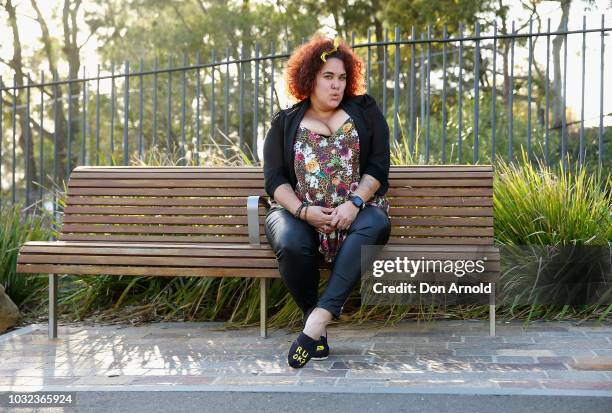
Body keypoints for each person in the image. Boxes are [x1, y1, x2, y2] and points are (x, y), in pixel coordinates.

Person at [263, 34, 392, 369]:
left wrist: (355, 204)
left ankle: (317, 322)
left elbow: (379, 165)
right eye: (327, 77)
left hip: (357, 211)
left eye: (342, 78)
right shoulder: (285, 121)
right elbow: (274, 179)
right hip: (296, 212)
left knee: (376, 224)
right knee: (290, 243)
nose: (337, 86)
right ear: (309, 79)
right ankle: (314, 324)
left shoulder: (365, 110)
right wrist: (303, 211)